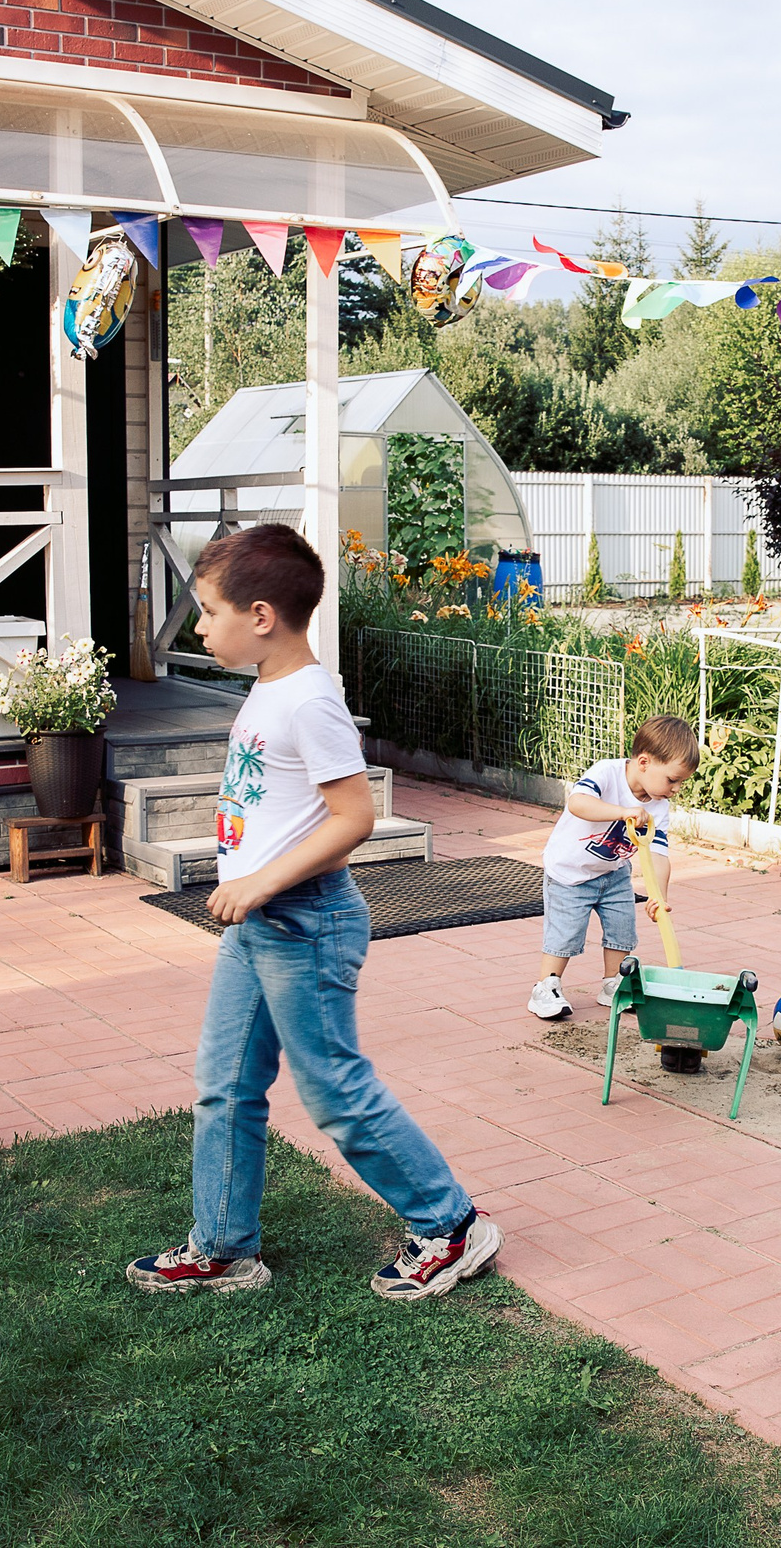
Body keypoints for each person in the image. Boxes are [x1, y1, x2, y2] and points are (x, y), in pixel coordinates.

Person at [128, 523, 501, 1300]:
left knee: (333, 1088)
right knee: (225, 1085)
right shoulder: (271, 687)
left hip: (305, 921)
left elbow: (354, 817)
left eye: (209, 611)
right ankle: (223, 1247)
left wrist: (260, 882)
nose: (200, 627)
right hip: (261, 926)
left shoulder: (309, 700)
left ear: (261, 616)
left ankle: (451, 1226)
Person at [526, 717, 698, 1025]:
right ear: (644, 762)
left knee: (622, 930)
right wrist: (622, 812)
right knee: (565, 933)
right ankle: (546, 987)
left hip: (614, 873)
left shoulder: (658, 805)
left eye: (680, 783)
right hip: (570, 874)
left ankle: (613, 984)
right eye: (672, 780)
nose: (676, 789)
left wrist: (659, 896)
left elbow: (658, 853)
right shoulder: (607, 773)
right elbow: (578, 803)